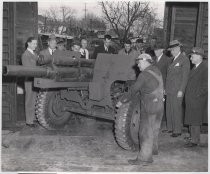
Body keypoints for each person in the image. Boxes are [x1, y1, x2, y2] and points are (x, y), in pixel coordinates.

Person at [117, 53, 164, 165]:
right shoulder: (156, 70)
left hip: (149, 106)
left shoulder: (143, 75)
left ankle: (145, 158)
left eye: (139, 63)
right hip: (159, 104)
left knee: (145, 132)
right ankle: (153, 150)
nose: (138, 65)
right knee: (154, 128)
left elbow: (133, 91)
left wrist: (121, 101)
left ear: (145, 61)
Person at [165, 40, 190, 137]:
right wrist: (166, 89)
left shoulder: (184, 59)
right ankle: (170, 128)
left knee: (176, 109)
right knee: (169, 109)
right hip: (170, 89)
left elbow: (185, 77)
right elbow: (168, 76)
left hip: (177, 89)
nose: (172, 51)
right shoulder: (171, 59)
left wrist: (181, 90)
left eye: (173, 49)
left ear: (178, 48)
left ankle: (177, 130)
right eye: (171, 49)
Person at [184, 47, 208, 147]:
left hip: (197, 99)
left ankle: (194, 141)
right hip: (191, 98)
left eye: (192, 56)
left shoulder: (205, 68)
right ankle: (192, 136)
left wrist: (196, 95)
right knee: (191, 118)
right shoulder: (195, 67)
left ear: (199, 56)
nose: (190, 58)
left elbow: (206, 85)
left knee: (195, 120)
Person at [21, 37, 39, 127]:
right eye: (34, 43)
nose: (36, 45)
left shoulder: (34, 54)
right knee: (29, 100)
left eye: (36, 43)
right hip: (29, 80)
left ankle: (33, 118)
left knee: (34, 99)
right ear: (29, 43)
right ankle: (29, 121)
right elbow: (28, 70)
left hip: (35, 80)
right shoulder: (25, 55)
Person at [154, 46, 172, 129]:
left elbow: (169, 75)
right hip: (153, 86)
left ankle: (159, 123)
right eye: (154, 50)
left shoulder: (167, 59)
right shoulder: (153, 59)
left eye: (157, 50)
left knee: (160, 105)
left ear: (162, 50)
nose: (155, 51)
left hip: (162, 85)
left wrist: (166, 87)